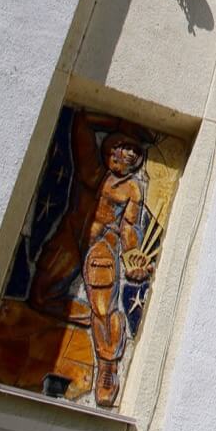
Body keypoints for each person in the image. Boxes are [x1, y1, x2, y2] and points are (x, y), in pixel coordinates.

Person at [83, 133, 156, 408]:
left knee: (103, 307)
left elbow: (128, 228)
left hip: (104, 244)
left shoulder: (133, 189)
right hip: (72, 236)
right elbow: (81, 123)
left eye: (135, 152)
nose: (131, 156)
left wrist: (131, 257)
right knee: (42, 295)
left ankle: (108, 365)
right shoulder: (91, 168)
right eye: (125, 148)